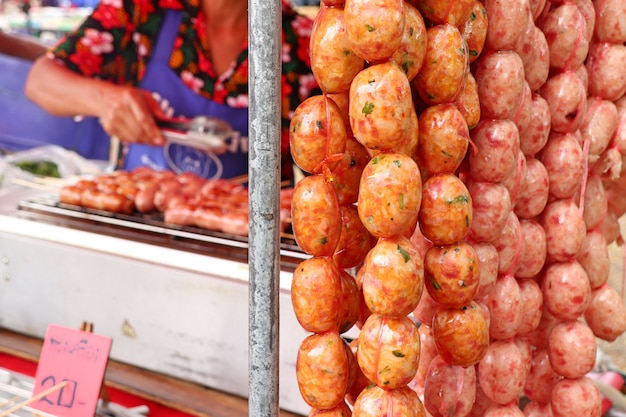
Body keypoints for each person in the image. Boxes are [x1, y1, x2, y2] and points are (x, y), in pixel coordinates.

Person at [24, 0, 320, 180]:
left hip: (249, 250)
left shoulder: (308, 43)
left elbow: (329, 171)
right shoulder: (144, 9)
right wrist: (105, 100)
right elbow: (41, 81)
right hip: (141, 228)